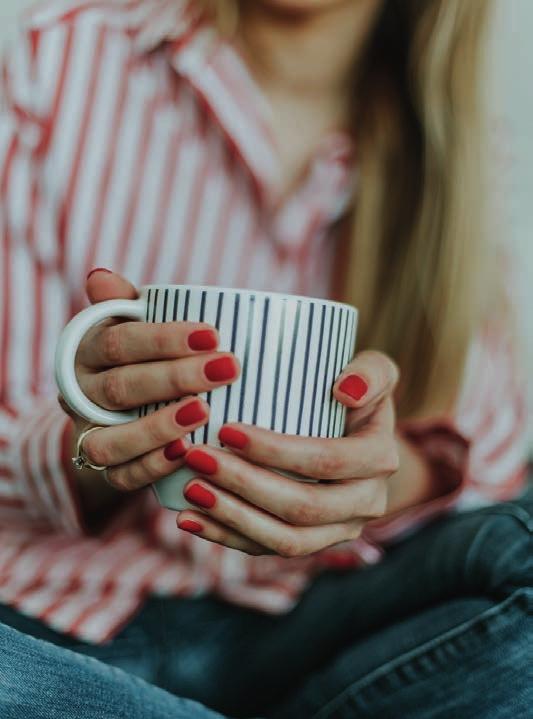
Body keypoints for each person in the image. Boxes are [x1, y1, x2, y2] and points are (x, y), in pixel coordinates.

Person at [0, 0, 530, 717]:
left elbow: (494, 458)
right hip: (58, 620)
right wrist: (93, 440)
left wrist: (371, 475)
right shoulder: (57, 60)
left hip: (310, 627)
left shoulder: (456, 140)